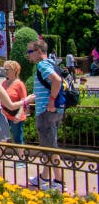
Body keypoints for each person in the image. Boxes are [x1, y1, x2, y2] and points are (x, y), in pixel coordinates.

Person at [27, 39, 65, 190]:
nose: (28, 55)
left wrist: (51, 101)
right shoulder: (51, 62)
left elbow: (57, 81)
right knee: (48, 145)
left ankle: (59, 183)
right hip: (54, 111)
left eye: (30, 52)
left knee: (50, 148)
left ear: (39, 51)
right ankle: (43, 177)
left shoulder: (42, 64)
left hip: (46, 111)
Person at [1, 60, 28, 146]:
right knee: (2, 137)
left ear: (14, 70)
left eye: (7, 69)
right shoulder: (4, 83)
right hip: (4, 114)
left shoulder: (19, 84)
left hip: (15, 115)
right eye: (4, 69)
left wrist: (19, 114)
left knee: (17, 139)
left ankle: (21, 158)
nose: (5, 71)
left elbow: (24, 101)